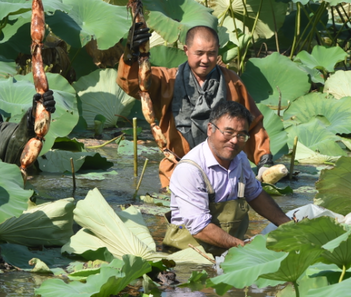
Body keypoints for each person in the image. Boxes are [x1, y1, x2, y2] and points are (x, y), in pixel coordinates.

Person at [117, 24, 273, 188]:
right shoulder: (167, 79)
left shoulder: (231, 81)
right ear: (186, 50)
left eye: (211, 54)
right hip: (177, 169)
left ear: (218, 50)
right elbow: (132, 83)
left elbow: (252, 124)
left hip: (224, 172)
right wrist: (131, 54)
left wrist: (264, 160)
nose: (205, 60)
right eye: (199, 53)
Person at [163, 101, 291, 253]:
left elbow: (255, 195)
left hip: (229, 248)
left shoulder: (240, 158)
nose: (234, 141)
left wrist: (288, 226)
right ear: (210, 129)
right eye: (228, 132)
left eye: (241, 135)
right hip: (189, 253)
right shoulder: (190, 169)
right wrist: (245, 249)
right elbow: (200, 228)